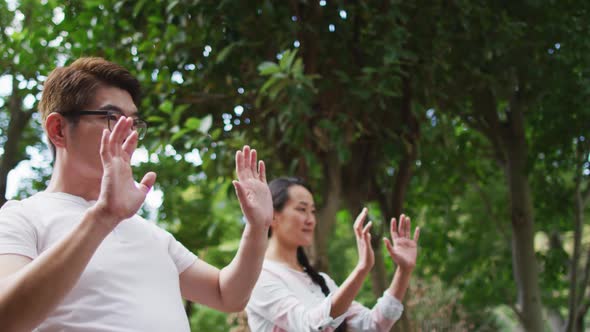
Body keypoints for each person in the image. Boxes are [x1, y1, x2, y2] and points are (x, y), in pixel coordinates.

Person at [0, 57, 273, 332]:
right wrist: (103, 217)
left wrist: (258, 227)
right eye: (112, 118)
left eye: (133, 123)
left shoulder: (150, 233)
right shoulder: (22, 218)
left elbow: (226, 295)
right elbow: (6, 318)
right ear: (58, 130)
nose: (129, 135)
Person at [246, 177, 420, 332]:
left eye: (313, 211)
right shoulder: (257, 277)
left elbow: (372, 325)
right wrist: (361, 270)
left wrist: (403, 271)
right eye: (301, 209)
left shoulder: (321, 281)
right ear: (273, 216)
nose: (310, 219)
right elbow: (309, 326)